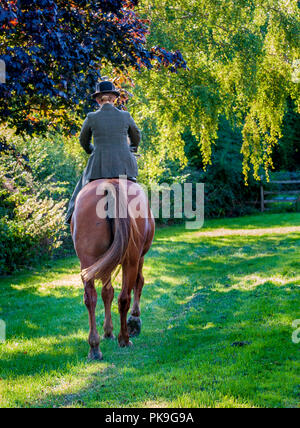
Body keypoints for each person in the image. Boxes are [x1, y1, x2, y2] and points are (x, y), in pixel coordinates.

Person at [65, 80, 141, 224]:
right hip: (124, 167)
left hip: (99, 167)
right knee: (137, 192)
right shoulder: (125, 116)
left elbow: (83, 140)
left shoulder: (91, 117)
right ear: (114, 98)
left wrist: (92, 151)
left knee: (80, 188)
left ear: (98, 100)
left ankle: (70, 216)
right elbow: (136, 135)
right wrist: (131, 149)